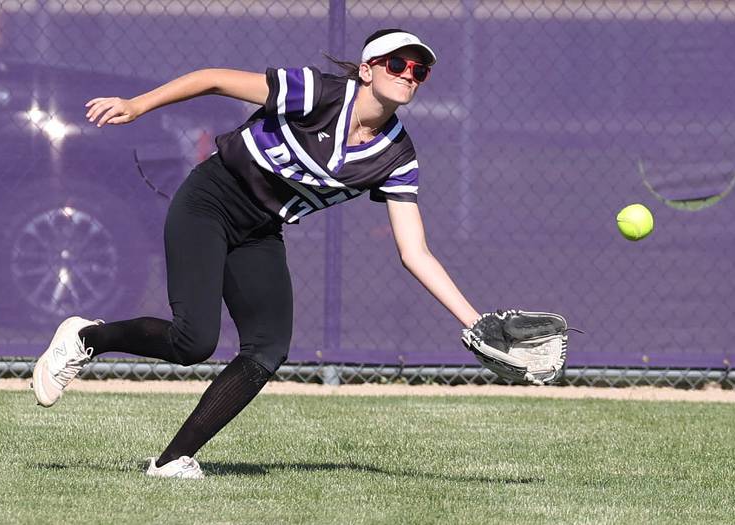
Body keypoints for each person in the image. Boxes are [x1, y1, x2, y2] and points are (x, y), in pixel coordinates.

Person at [31, 28, 481, 479]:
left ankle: (170, 461)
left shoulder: (397, 156)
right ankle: (86, 338)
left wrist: (475, 323)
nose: (409, 75)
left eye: (418, 70)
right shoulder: (320, 93)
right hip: (210, 201)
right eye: (396, 64)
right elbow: (213, 79)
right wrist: (138, 105)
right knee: (194, 342)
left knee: (267, 348)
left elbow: (415, 252)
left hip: (260, 229)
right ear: (367, 71)